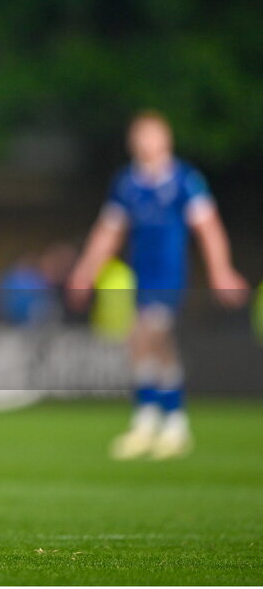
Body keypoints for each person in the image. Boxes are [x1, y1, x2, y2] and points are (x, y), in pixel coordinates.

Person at [68, 110, 247, 459]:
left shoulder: (183, 179)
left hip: (170, 274)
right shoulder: (128, 183)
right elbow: (108, 231)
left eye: (152, 135)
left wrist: (221, 270)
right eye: (139, 135)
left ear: (166, 139)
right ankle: (169, 424)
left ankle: (153, 421)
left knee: (146, 335)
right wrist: (84, 271)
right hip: (142, 275)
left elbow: (208, 227)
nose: (145, 142)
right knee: (151, 347)